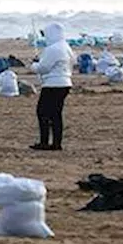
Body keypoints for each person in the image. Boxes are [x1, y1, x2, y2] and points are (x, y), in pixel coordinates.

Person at [30, 22, 73, 151]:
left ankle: (44, 142)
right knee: (56, 114)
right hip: (65, 83)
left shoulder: (53, 49)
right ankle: (56, 143)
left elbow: (43, 68)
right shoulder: (66, 47)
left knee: (42, 112)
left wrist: (34, 65)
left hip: (52, 85)